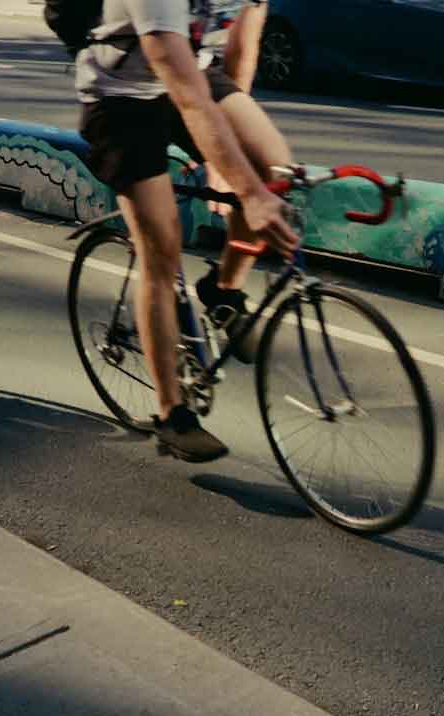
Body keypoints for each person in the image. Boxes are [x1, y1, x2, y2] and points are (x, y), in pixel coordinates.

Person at [75, 0, 299, 463]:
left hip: (195, 73)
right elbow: (187, 96)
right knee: (162, 245)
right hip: (122, 98)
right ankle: (171, 413)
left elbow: (242, 48)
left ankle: (224, 291)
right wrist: (246, 190)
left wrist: (237, 161)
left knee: (277, 167)